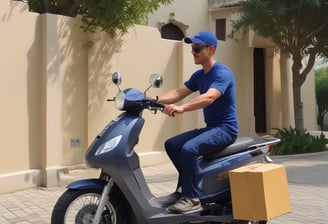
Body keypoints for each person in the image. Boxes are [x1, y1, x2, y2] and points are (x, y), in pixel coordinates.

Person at [156, 30, 238, 213]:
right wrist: (154, 100)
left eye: (197, 49)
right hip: (212, 128)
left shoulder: (222, 73)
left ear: (211, 49)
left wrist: (182, 108)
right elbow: (178, 93)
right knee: (172, 144)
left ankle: (192, 198)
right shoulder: (199, 76)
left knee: (189, 149)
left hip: (226, 129)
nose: (193, 52)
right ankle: (184, 190)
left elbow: (210, 97)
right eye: (192, 49)